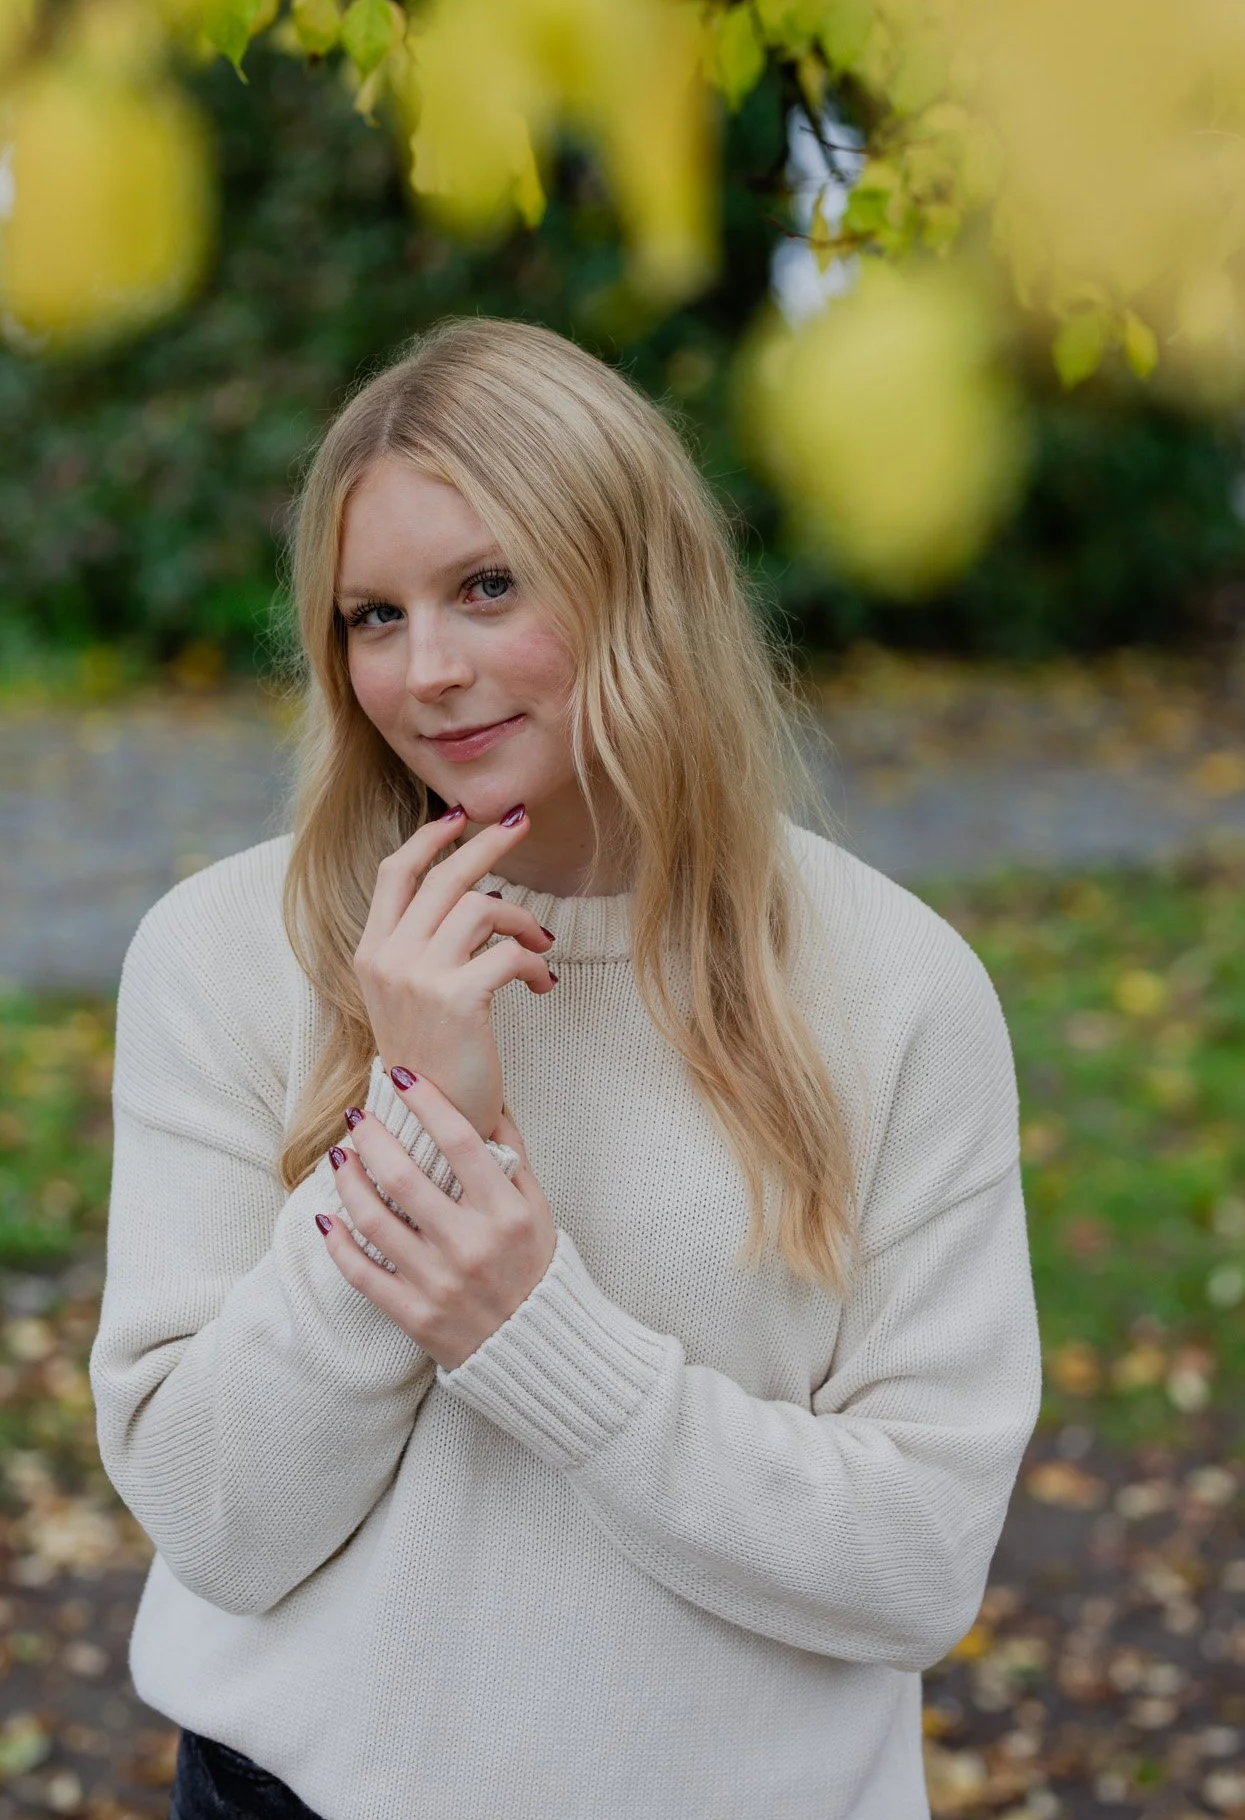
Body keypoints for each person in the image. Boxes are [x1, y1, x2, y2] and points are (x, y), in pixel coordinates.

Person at [89, 317, 1042, 1820]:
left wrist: (536, 1331)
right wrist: (412, 1115)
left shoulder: (890, 988)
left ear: (638, 580)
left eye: (487, 586)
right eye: (372, 616)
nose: (430, 672)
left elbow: (917, 1566)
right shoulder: (225, 953)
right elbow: (218, 1519)